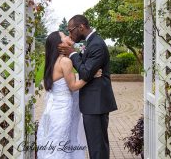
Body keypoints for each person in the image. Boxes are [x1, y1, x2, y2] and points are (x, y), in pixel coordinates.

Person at [58, 15, 118, 159]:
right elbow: (86, 68)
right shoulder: (91, 42)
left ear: (81, 27)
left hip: (96, 104)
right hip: (93, 103)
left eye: (71, 30)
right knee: (95, 145)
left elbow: (85, 72)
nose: (71, 34)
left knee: (97, 147)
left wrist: (72, 53)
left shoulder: (96, 44)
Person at [37, 31, 102, 159]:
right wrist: (90, 76)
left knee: (55, 141)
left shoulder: (53, 61)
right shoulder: (65, 61)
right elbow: (73, 86)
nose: (68, 36)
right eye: (64, 36)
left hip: (54, 108)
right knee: (61, 142)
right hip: (62, 110)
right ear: (59, 44)